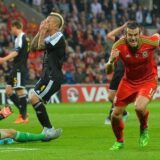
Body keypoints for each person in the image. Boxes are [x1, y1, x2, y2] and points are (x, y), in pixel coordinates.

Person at [106, 21, 159, 150]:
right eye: (130, 35)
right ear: (125, 34)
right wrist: (111, 61)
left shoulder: (150, 42)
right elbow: (108, 70)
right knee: (115, 114)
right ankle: (119, 141)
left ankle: (143, 129)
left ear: (140, 34)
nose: (133, 38)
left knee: (139, 108)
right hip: (128, 82)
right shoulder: (118, 45)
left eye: (136, 35)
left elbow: (157, 36)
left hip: (148, 80)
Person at [29, 11, 65, 140]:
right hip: (46, 75)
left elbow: (39, 46)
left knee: (34, 98)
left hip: (53, 77)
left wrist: (42, 32)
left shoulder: (58, 36)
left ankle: (49, 129)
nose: (45, 23)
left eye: (48, 21)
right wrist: (40, 31)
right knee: (31, 96)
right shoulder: (51, 37)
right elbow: (32, 47)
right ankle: (47, 129)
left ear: (55, 25)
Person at [0, 20, 29, 123]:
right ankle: (23, 112)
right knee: (8, 90)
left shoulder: (21, 37)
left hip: (19, 68)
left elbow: (17, 52)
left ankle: (23, 116)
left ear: (15, 27)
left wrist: (4, 59)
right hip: (16, 67)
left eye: (11, 28)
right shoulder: (22, 38)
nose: (10, 30)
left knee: (19, 90)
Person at [105, 23, 129, 125]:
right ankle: (123, 113)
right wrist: (122, 27)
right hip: (118, 71)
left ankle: (113, 115)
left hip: (127, 72)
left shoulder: (135, 43)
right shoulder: (120, 41)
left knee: (118, 96)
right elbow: (109, 35)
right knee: (111, 97)